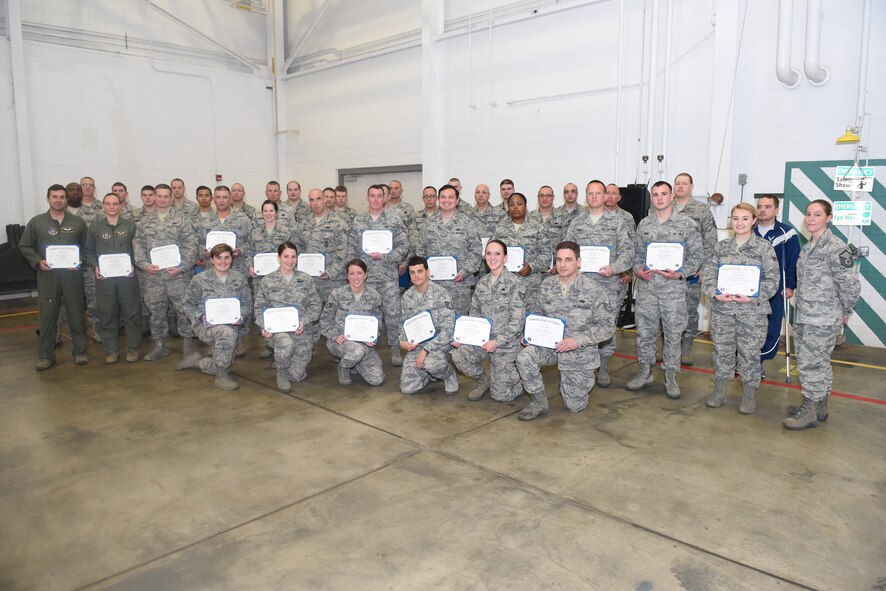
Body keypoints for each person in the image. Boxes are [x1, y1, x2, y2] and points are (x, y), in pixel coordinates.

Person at [515, 241, 615, 420]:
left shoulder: (594, 290)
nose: (562, 265)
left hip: (579, 351)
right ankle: (539, 401)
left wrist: (577, 341)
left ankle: (572, 384)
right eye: (559, 259)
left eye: (568, 259)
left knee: (573, 406)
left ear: (579, 262)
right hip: (550, 345)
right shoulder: (547, 286)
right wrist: (529, 334)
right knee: (524, 357)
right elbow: (537, 314)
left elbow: (607, 328)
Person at [783, 200, 860, 430]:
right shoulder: (807, 247)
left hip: (823, 318)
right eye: (808, 214)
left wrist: (846, 310)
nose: (811, 218)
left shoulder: (837, 247)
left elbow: (850, 284)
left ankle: (809, 411)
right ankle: (820, 406)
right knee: (819, 362)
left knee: (810, 364)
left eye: (817, 214)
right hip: (806, 316)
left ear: (829, 217)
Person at [626, 181, 703, 398]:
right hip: (648, 289)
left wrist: (680, 273)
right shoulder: (644, 225)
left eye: (664, 194)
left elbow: (697, 256)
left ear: (671, 197)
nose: (660, 198)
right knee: (645, 333)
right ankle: (645, 372)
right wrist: (637, 271)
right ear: (652, 198)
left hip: (674, 291)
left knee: (672, 334)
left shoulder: (686, 224)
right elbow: (637, 255)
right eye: (655, 194)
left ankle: (670, 377)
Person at [702, 203, 779, 414]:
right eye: (735, 218)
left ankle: (748, 394)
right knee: (722, 351)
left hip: (752, 311)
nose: (740, 223)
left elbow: (773, 280)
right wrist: (714, 292)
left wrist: (753, 295)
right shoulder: (721, 247)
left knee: (750, 353)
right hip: (723, 310)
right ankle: (719, 390)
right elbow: (708, 276)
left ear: (754, 221)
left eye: (745, 218)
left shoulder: (764, 248)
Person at [564, 180, 634, 387]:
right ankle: (581, 365)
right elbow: (568, 250)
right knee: (579, 324)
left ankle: (603, 366)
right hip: (580, 285)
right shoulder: (577, 223)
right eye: (590, 193)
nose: (594, 197)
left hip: (607, 285)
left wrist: (614, 267)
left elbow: (629, 253)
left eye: (598, 193)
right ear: (586, 197)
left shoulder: (617, 222)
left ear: (605, 197)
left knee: (605, 326)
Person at [19, 184, 89, 370]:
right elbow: (25, 246)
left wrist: (80, 261)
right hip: (48, 276)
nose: (58, 200)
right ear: (48, 199)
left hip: (71, 276)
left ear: (66, 200)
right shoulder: (37, 222)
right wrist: (38, 261)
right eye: (54, 197)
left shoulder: (77, 223)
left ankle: (80, 351)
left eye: (61, 197)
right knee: (47, 317)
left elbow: (87, 247)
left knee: (76, 313)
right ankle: (45, 356)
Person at [451, 240, 525, 401]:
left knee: (501, 396)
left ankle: (517, 380)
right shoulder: (482, 283)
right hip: (482, 339)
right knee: (459, 356)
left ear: (505, 258)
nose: (492, 257)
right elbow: (475, 312)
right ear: (484, 256)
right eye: (489, 253)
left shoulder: (515, 283)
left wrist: (497, 342)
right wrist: (465, 337)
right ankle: (484, 380)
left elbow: (517, 322)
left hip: (505, 344)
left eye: (497, 254)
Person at [133, 183, 198, 363]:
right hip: (153, 277)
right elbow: (137, 246)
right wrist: (144, 265)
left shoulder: (182, 219)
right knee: (156, 311)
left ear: (171, 198)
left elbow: (191, 245)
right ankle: (159, 346)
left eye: (165, 196)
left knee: (183, 310)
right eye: (158, 196)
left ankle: (188, 348)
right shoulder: (143, 222)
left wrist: (182, 267)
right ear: (153, 197)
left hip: (177, 276)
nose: (162, 199)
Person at [179, 244, 252, 391]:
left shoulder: (239, 279)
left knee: (225, 360)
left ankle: (197, 362)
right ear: (211, 259)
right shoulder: (200, 279)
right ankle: (222, 377)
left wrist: (241, 316)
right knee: (226, 336)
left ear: (232, 259)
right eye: (218, 258)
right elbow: (187, 304)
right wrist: (201, 317)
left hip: (232, 325)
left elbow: (247, 304)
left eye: (227, 257)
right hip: (206, 326)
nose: (223, 261)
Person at [352, 184, 409, 366]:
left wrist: (386, 256)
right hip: (365, 279)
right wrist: (355, 272)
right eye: (372, 196)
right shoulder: (358, 221)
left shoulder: (394, 220)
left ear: (385, 198)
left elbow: (403, 246)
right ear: (367, 198)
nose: (376, 199)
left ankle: (394, 348)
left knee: (393, 314)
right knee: (365, 314)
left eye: (379, 196)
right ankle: (363, 349)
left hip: (387, 277)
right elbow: (352, 248)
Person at [252, 242, 322, 393]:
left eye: (293, 257)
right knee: (286, 343)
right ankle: (281, 372)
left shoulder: (305, 279)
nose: (289, 261)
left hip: (301, 331)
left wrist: (305, 321)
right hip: (278, 332)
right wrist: (265, 326)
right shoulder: (268, 280)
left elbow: (316, 306)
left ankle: (284, 360)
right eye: (285, 257)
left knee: (296, 375)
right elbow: (258, 308)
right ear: (278, 258)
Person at [83, 192, 143, 364]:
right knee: (107, 313)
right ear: (103, 206)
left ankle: (132, 348)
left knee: (131, 313)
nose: (111, 207)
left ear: (120, 206)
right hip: (105, 279)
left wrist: (133, 263)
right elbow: (88, 252)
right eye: (108, 203)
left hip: (127, 277)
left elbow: (137, 250)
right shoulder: (95, 228)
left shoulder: (131, 226)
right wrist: (96, 266)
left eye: (115, 203)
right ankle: (111, 350)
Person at [198, 185, 255, 357]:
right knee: (215, 303)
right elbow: (199, 243)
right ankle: (216, 341)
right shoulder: (205, 221)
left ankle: (239, 342)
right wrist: (205, 252)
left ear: (230, 199)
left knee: (237, 303)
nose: (222, 200)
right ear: (214, 199)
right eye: (218, 197)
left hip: (236, 268)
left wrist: (240, 251)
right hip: (213, 270)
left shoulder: (243, 219)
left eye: (225, 197)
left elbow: (251, 243)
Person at [672, 173, 718, 365]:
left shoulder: (702, 210)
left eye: (684, 183)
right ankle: (669, 346)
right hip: (667, 273)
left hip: (691, 270)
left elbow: (710, 241)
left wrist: (704, 268)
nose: (680, 186)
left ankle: (686, 348)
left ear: (691, 187)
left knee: (689, 309)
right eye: (677, 183)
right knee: (666, 310)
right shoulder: (664, 207)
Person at [415, 184, 482, 316]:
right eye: (443, 197)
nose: (447, 200)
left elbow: (476, 250)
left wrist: (465, 271)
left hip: (459, 284)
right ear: (439, 199)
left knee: (457, 321)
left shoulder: (467, 223)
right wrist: (424, 273)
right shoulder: (428, 223)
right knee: (434, 319)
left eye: (451, 197)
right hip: (433, 284)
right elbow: (420, 249)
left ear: (457, 201)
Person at [398, 256, 459, 394]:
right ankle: (427, 374)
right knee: (407, 388)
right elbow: (403, 324)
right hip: (417, 346)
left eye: (420, 271)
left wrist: (425, 350)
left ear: (428, 271)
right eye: (412, 272)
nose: (416, 275)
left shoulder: (441, 294)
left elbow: (449, 330)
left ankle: (448, 374)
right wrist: (402, 341)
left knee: (432, 364)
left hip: (439, 345)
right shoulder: (407, 297)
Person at [320, 259, 386, 386]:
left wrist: (373, 338)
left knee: (377, 380)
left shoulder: (374, 296)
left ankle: (355, 363)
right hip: (341, 341)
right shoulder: (337, 294)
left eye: (359, 273)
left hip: (365, 344)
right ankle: (344, 367)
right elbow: (325, 320)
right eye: (352, 273)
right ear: (347, 276)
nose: (355, 277)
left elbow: (377, 322)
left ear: (366, 275)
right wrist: (335, 336)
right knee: (356, 351)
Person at [754, 194, 800, 371]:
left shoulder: (787, 233)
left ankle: (759, 361)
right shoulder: (748, 229)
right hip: (750, 288)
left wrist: (789, 286)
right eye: (759, 206)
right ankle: (743, 359)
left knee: (771, 325)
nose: (762, 210)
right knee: (747, 325)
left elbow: (793, 261)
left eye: (767, 206)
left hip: (775, 289)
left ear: (776, 209)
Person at [249, 200, 294, 358]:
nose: (268, 214)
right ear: (262, 214)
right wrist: (250, 267)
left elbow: (291, 254)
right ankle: (270, 344)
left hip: (279, 279)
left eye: (271, 211)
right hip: (260, 279)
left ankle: (281, 344)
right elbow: (249, 252)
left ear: (277, 212)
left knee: (279, 309)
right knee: (263, 310)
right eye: (265, 211)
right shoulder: (255, 233)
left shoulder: (285, 232)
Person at [296, 188, 352, 305]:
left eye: (318, 199)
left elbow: (343, 252)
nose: (315, 203)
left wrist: (331, 272)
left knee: (333, 317)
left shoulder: (338, 223)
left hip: (333, 281)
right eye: (312, 200)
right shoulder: (304, 223)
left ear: (324, 200)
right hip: (310, 281)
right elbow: (298, 249)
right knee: (312, 317)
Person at [491, 192, 546, 300]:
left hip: (530, 284)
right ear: (508, 207)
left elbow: (547, 252)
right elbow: (493, 250)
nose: (515, 207)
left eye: (519, 204)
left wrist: (532, 266)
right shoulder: (500, 228)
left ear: (525, 206)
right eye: (511, 204)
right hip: (505, 284)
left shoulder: (537, 227)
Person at [605, 183, 637, 311]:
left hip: (618, 273)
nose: (610, 196)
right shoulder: (592, 216)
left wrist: (628, 271)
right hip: (594, 273)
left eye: (614, 193)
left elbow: (632, 244)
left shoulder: (626, 217)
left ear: (619, 198)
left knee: (612, 312)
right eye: (607, 192)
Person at [528, 185, 570, 271]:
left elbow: (567, 243)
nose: (544, 198)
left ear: (553, 198)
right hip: (532, 270)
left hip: (556, 269)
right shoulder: (528, 218)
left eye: (548, 195)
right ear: (538, 198)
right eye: (542, 196)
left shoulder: (563, 217)